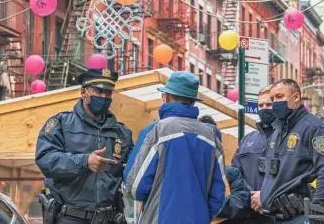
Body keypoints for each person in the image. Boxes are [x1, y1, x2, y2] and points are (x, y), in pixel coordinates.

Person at [124, 71, 226, 224]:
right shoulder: (212, 139)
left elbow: (135, 187)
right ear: (193, 101)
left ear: (167, 97)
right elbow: (218, 196)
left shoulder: (156, 131)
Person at [35, 68, 134, 224]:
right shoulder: (61, 123)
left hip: (109, 218)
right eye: (98, 91)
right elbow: (45, 159)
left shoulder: (122, 133)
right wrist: (85, 162)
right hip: (70, 217)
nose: (104, 96)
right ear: (83, 92)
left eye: (108, 93)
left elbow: (133, 172)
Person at [255, 79, 324, 224]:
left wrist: (317, 216)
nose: (275, 102)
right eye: (273, 98)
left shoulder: (314, 129)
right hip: (278, 217)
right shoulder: (277, 131)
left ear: (295, 97)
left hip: (301, 217)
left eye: (280, 96)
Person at [231, 85, 276, 223]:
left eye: (269, 104)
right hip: (249, 214)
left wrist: (265, 196)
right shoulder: (247, 140)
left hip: (279, 215)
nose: (264, 108)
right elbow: (235, 173)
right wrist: (252, 197)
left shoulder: (289, 138)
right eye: (260, 105)